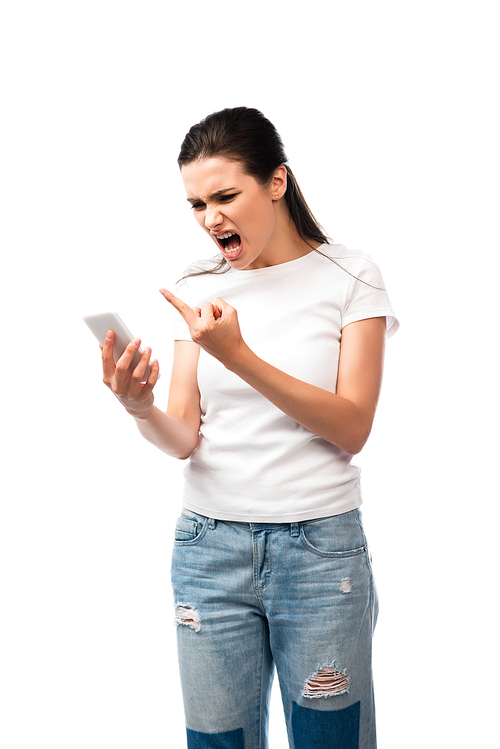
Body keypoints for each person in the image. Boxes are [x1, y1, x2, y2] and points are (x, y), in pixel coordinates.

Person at [101, 107, 398, 749]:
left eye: (226, 196)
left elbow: (352, 426)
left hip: (320, 556)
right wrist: (139, 406)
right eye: (197, 204)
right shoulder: (196, 286)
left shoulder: (351, 276)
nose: (212, 219)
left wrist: (239, 357)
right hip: (209, 554)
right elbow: (184, 437)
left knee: (330, 738)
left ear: (277, 182)